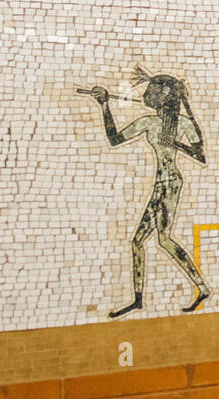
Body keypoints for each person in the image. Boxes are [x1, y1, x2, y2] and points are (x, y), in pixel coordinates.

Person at [83, 69, 211, 318]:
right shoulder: (148, 122)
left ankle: (201, 288)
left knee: (164, 240)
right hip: (159, 184)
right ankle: (139, 300)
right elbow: (114, 139)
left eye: (152, 90)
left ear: (164, 96)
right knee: (138, 241)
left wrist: (175, 143)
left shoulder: (182, 124)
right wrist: (104, 105)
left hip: (171, 183)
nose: (147, 94)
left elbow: (201, 156)